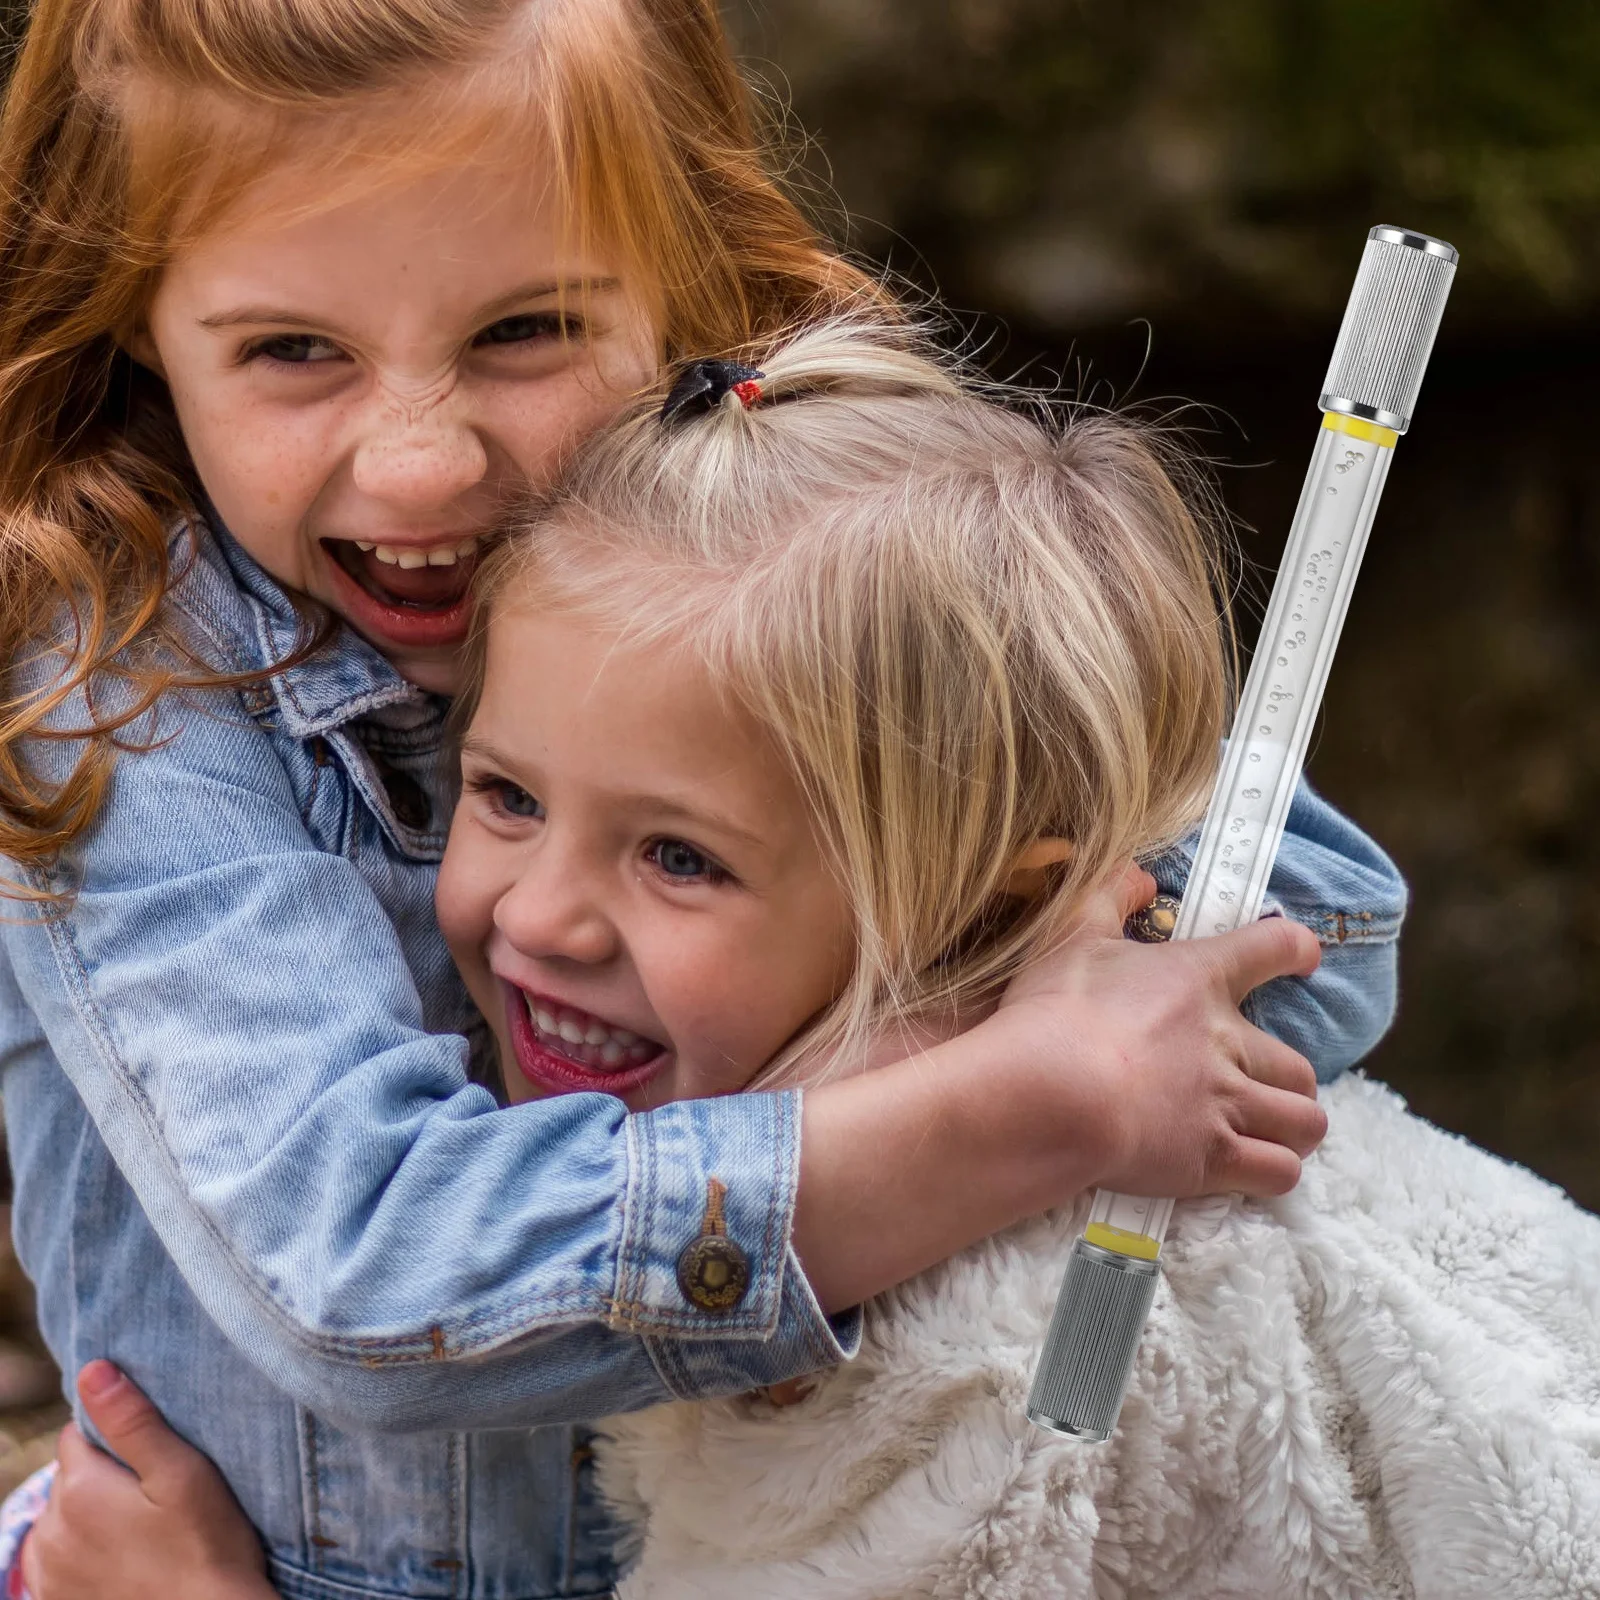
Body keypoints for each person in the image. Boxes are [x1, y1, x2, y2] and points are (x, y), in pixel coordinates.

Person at [0, 4, 1391, 1596]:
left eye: (524, 332)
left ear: (692, 281)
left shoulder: (812, 556)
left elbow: (1313, 932)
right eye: (291, 352)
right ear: (131, 329)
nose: (421, 467)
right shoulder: (114, 690)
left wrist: (960, 1024)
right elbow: (372, 1270)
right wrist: (1010, 1095)